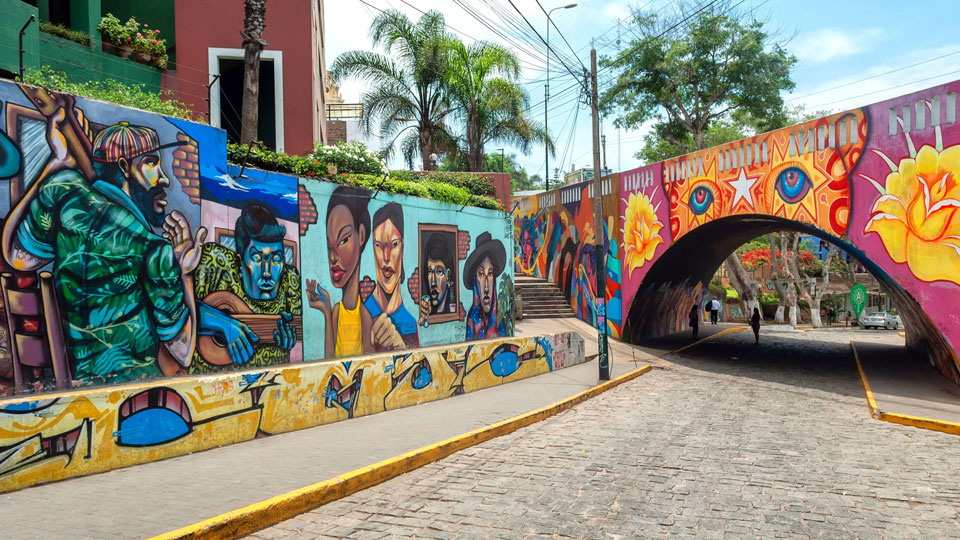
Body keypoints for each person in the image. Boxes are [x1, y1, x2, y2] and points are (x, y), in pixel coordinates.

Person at [1, 117, 203, 383]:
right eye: (152, 163)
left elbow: (16, 257)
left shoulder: (63, 190)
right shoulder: (153, 249)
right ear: (124, 168)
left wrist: (53, 166)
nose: (164, 178)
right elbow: (184, 351)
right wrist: (184, 271)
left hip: (67, 380)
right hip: (132, 387)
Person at [190, 203, 301, 373]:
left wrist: (290, 337)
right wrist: (224, 324)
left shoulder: (290, 280)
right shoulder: (217, 264)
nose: (266, 271)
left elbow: (297, 328)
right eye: (257, 258)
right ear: (241, 257)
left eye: (276, 259)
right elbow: (179, 307)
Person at [306, 186, 375, 358]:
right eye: (329, 246)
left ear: (361, 235)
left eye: (343, 239)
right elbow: (329, 358)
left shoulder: (365, 315)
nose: (332, 257)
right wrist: (326, 311)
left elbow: (371, 362)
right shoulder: (336, 311)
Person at [365, 202, 418, 350]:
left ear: (402, 248)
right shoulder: (364, 314)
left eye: (394, 245)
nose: (386, 257)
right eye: (379, 246)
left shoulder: (410, 321)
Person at [464, 232, 507, 341]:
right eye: (481, 274)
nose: (486, 287)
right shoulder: (472, 320)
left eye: (490, 273)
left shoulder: (501, 319)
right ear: (475, 281)